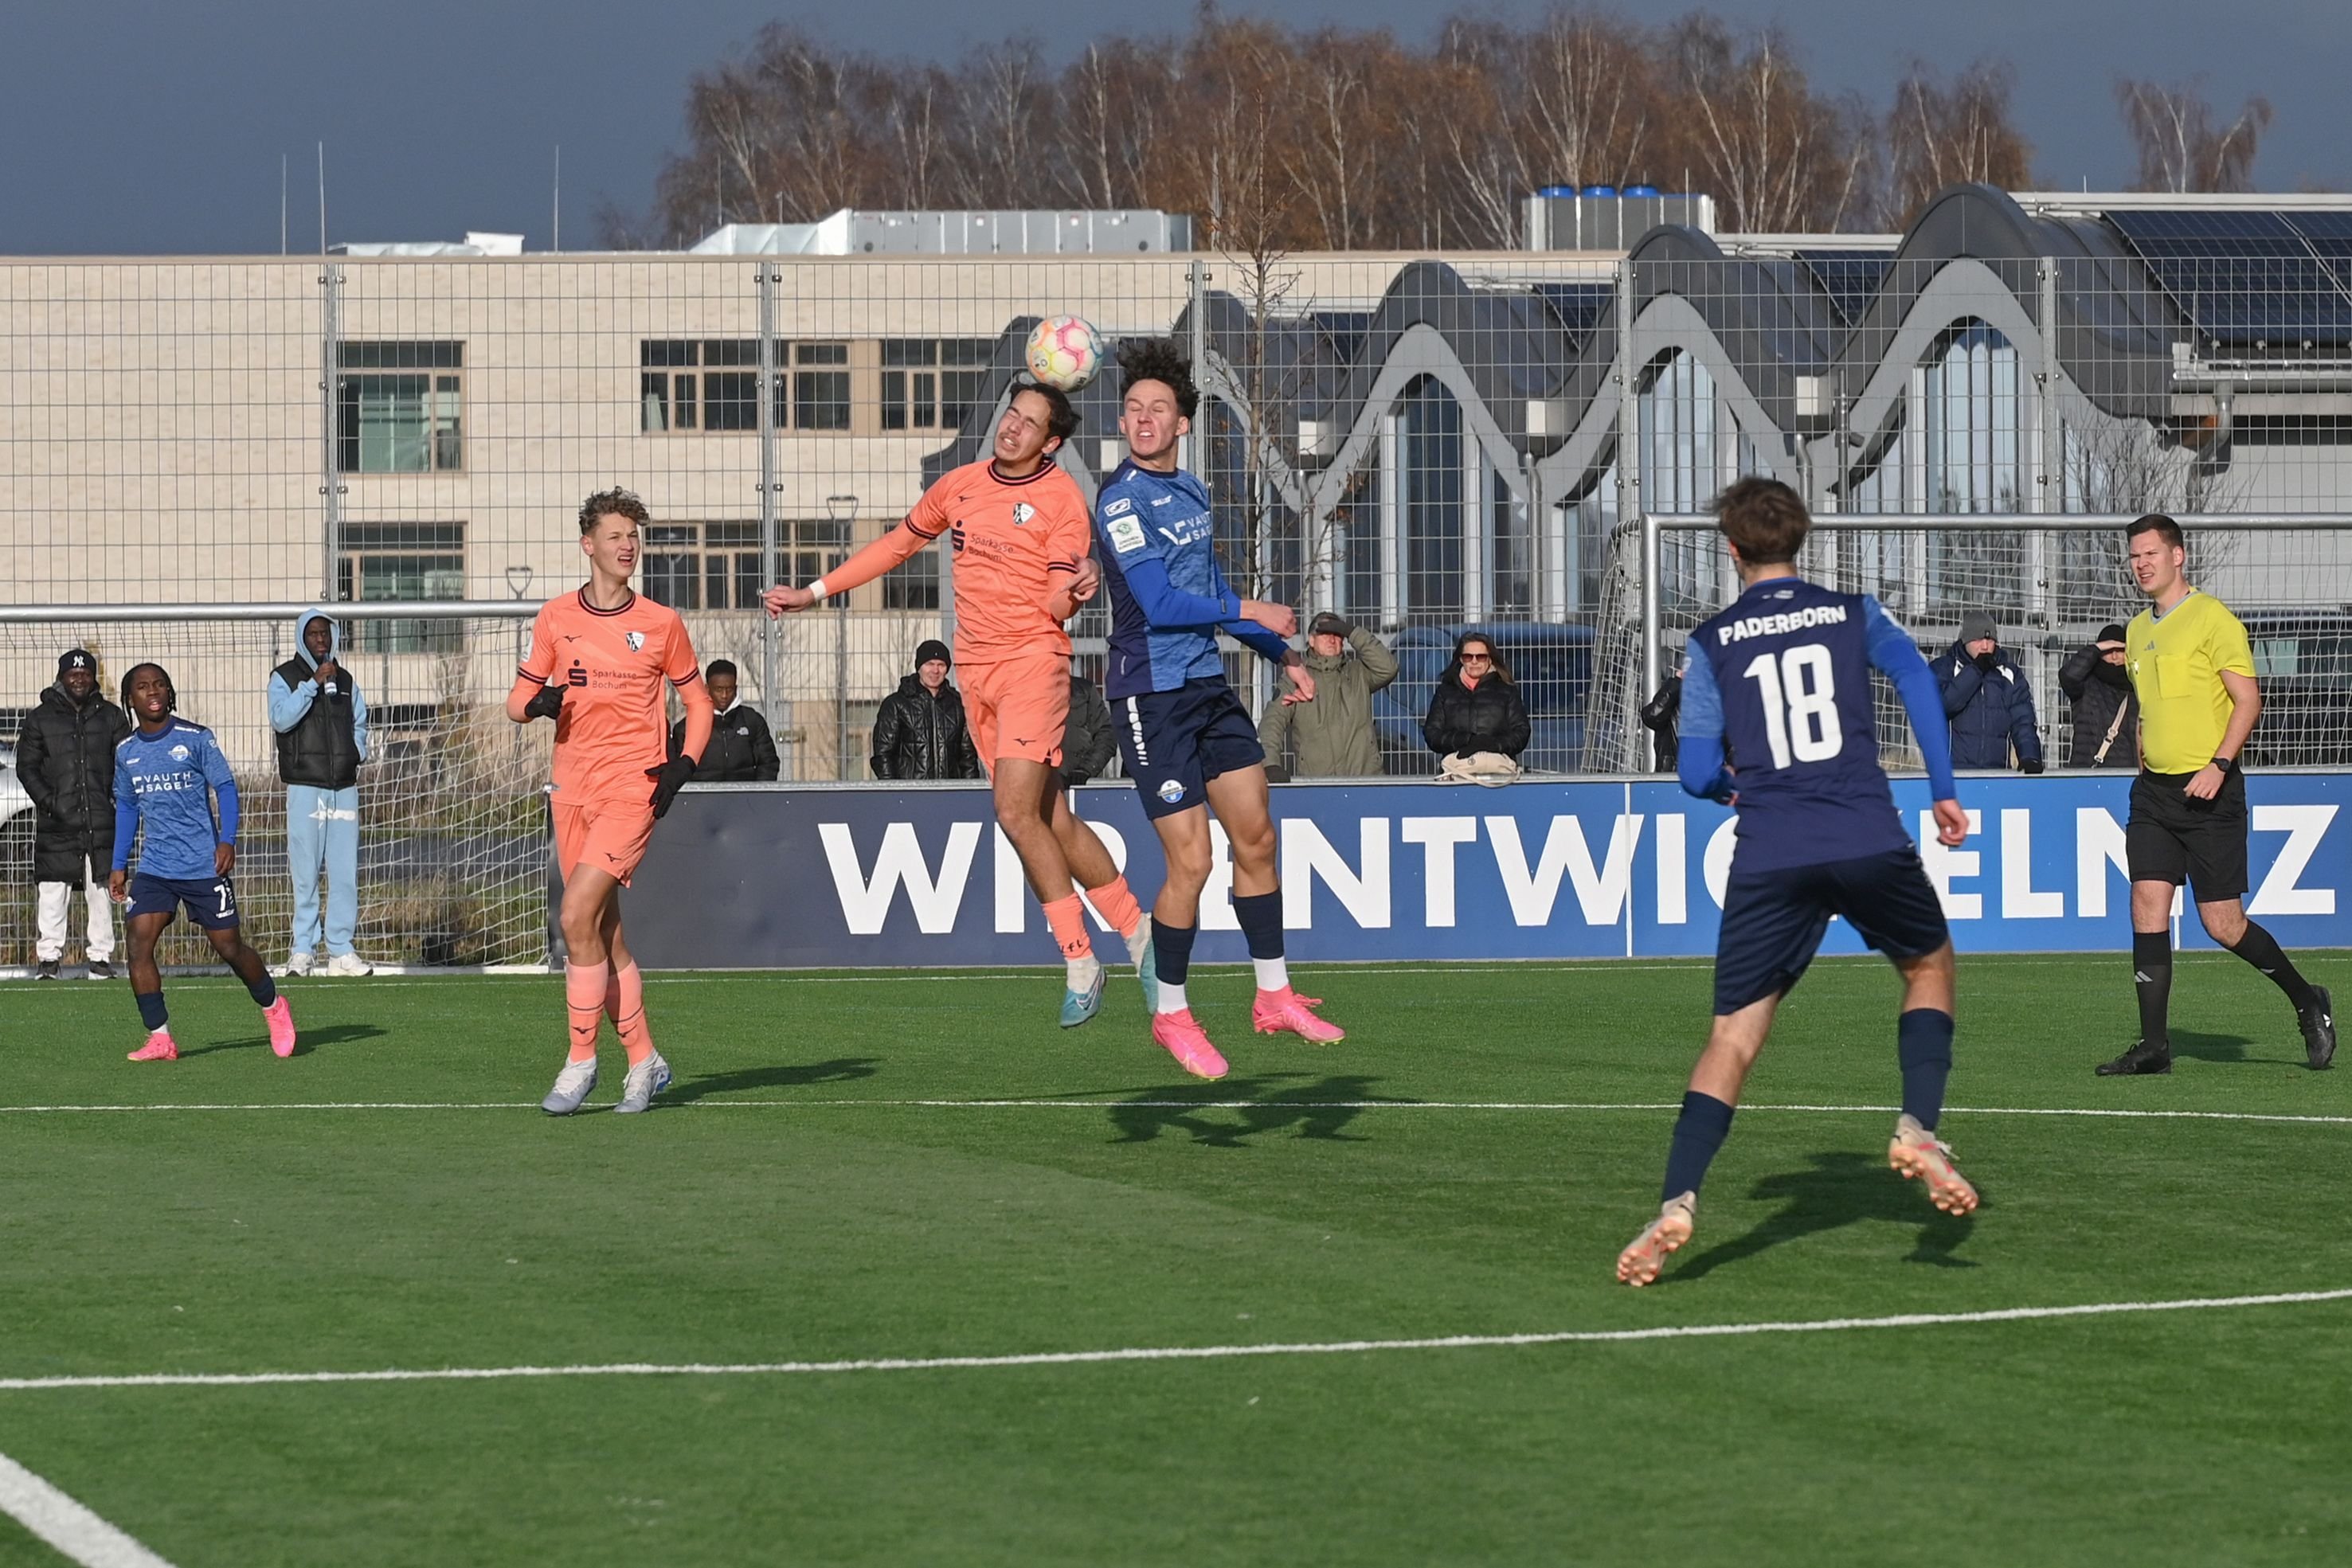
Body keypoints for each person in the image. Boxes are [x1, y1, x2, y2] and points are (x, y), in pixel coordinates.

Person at [1616, 477, 1975, 1288]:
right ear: (1799, 541)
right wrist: (1943, 787)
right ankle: (1917, 1124)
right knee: (1927, 966)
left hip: (1771, 848)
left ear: (1731, 547)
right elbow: (1918, 681)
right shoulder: (1853, 613)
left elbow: (1696, 771)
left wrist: (1738, 788)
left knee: (1732, 1038)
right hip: (1862, 832)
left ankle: (1677, 1199)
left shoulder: (1710, 641)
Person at [767, 382, 1157, 1030]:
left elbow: (1060, 598)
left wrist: (1080, 583)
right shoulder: (959, 485)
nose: (1012, 428)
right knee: (1050, 816)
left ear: (1051, 442)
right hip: (975, 672)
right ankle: (1138, 931)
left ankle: (1080, 959)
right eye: (1011, 414)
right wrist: (814, 591)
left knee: (1010, 809)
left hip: (1034, 663)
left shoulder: (1062, 499)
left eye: (1029, 423)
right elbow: (895, 545)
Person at [1095, 336, 1344, 1081]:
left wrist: (1279, 654)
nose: (1143, 420)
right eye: (1133, 409)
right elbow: (1163, 603)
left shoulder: (1193, 491)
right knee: (1192, 860)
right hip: (1150, 694)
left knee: (1258, 838)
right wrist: (1253, 607)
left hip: (1206, 685)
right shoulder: (1120, 500)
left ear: (1181, 424)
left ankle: (1272, 996)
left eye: (1157, 409)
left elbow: (1208, 602)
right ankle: (1171, 1011)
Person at [2097, 514, 2334, 1076]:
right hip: (2153, 795)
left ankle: (2307, 1000)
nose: (2141, 564)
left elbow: (2247, 701)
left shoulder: (2213, 618)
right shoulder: (2135, 630)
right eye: (2133, 556)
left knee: (2222, 923)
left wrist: (2218, 764)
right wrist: (2144, 755)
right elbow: (2147, 709)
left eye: (2151, 553)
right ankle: (2154, 1046)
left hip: (2211, 793)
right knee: (2145, 908)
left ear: (2177, 556)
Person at [512, 487, 714, 1116]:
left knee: (574, 916)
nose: (628, 546)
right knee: (602, 933)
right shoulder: (555, 618)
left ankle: (579, 1062)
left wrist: (682, 764)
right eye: (617, 535)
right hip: (571, 791)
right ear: (589, 544)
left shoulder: (660, 623)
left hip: (632, 789)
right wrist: (537, 703)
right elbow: (517, 702)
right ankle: (645, 1060)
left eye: (634, 535)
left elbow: (700, 703)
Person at [108, 663, 297, 1062]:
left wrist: (227, 840)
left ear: (169, 692)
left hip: (202, 866)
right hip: (156, 867)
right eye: (142, 687)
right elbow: (126, 806)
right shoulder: (126, 752)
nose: (153, 691)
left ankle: (274, 1007)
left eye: (159, 684)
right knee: (138, 945)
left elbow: (226, 788)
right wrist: (119, 862)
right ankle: (160, 1038)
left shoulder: (196, 738)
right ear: (130, 699)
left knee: (229, 947)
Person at [268, 608, 372, 977]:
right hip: (305, 785)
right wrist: (311, 684)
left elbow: (360, 721)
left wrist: (357, 751)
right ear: (302, 638)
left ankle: (341, 951)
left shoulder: (345, 680)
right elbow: (281, 718)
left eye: (325, 634)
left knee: (344, 872)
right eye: (313, 634)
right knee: (306, 871)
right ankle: (303, 950)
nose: (320, 640)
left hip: (343, 786)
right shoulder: (284, 677)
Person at [20, 649, 130, 980]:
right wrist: (49, 802)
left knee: (102, 890)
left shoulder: (111, 716)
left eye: (85, 673)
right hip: (57, 821)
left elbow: (126, 761)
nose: (79, 678)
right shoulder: (41, 718)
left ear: (92, 677)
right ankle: (49, 959)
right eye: (73, 673)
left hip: (101, 819)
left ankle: (100, 959)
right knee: (53, 890)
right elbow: (27, 767)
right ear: (62, 676)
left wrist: (114, 799)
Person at [1258, 612, 1397, 778]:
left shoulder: (1358, 674)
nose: (1332, 640)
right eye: (1325, 634)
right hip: (1318, 784)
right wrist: (1271, 765)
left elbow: (1388, 668)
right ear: (1311, 640)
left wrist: (1352, 632)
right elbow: (1272, 723)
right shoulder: (1297, 680)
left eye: (1337, 634)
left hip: (1365, 781)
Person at [1936, 611, 2045, 772]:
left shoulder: (2009, 674)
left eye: (1990, 639)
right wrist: (1975, 671)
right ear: (1965, 640)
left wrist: (2030, 756)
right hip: (1953, 775)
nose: (1985, 646)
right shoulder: (1944, 669)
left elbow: (2023, 721)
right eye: (1978, 639)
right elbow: (1944, 705)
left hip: (1997, 775)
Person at [868, 639, 980, 780]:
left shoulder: (959, 705)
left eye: (941, 665)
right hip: (910, 795)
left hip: (950, 794)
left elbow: (968, 758)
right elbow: (883, 755)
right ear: (919, 667)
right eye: (930, 664)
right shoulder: (896, 705)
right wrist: (894, 791)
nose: (935, 670)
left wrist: (967, 794)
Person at [1423, 632, 1530, 764]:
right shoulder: (1445, 692)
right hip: (1457, 771)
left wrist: (1494, 745)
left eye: (1481, 657)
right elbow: (1432, 733)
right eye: (1468, 657)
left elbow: (1521, 732)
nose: (1474, 661)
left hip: (1498, 772)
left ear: (1490, 659)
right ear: (1461, 660)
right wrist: (1465, 740)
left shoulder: (1507, 692)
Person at [671, 659, 779, 782]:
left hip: (745, 798)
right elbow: (678, 769)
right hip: (703, 799)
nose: (724, 695)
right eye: (718, 689)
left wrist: (757, 793)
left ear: (736, 688)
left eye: (729, 689)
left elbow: (769, 763)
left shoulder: (752, 720)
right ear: (707, 689)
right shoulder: (686, 728)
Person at [2059, 622, 2137, 768]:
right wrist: (2097, 648)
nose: (2114, 656)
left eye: (2119, 650)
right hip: (2089, 772)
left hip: (2128, 773)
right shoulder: (2087, 684)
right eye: (2108, 650)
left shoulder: (2136, 688)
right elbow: (2068, 675)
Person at [1062, 669, 1114, 788]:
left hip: (1081, 783)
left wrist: (1087, 768)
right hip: (1038, 782)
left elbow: (1107, 734)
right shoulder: (1023, 692)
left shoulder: (1084, 691)